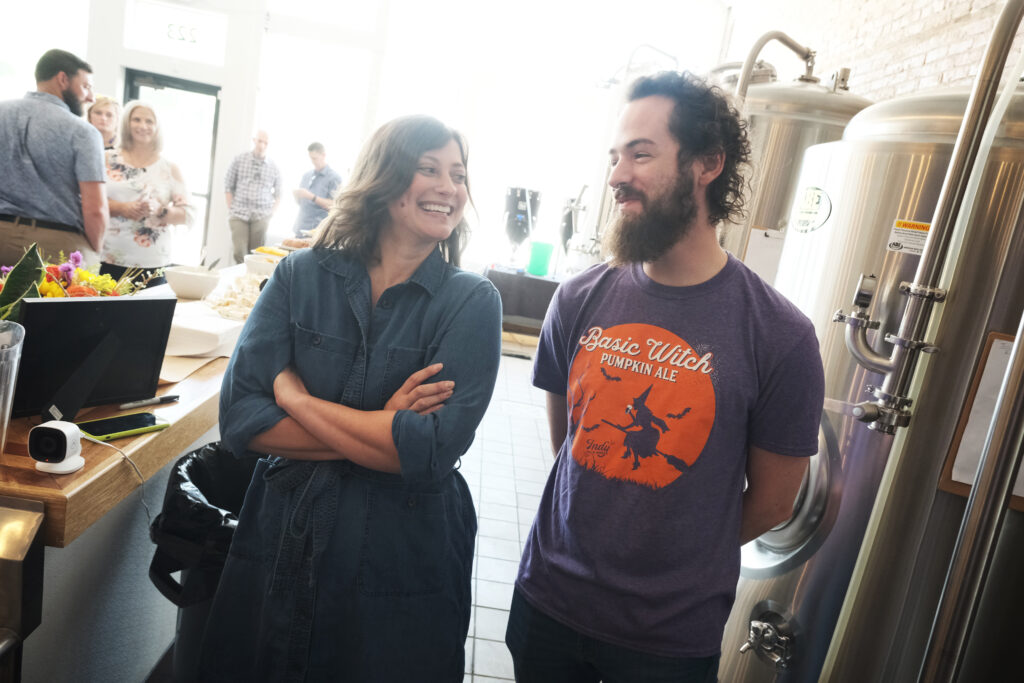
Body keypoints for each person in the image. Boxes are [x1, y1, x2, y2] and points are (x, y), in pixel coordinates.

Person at [505, 71, 825, 682]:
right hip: (549, 603)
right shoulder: (577, 298)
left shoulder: (780, 335)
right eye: (614, 156)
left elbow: (774, 502)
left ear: (708, 164)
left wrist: (679, 555)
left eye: (641, 154)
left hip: (669, 639)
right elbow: (569, 443)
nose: (617, 175)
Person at [200, 115, 503, 682]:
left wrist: (296, 400)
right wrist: (380, 427)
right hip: (283, 532)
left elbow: (428, 451)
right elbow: (240, 419)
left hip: (402, 550)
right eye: (430, 169)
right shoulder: (299, 275)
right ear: (385, 179)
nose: (449, 188)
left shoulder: (471, 302)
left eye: (459, 175)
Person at [0, 49, 107, 266]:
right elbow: (95, 209)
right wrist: (94, 252)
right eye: (86, 86)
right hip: (55, 246)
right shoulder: (83, 132)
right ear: (63, 79)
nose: (91, 97)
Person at [100, 100, 193, 284]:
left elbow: (188, 214)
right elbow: (87, 201)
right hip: (108, 256)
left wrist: (160, 210)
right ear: (126, 123)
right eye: (136, 119)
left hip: (153, 263)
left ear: (157, 127)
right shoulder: (106, 159)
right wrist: (122, 208)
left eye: (149, 121)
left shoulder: (169, 168)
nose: (143, 126)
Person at [224, 129, 281, 264]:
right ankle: (241, 274)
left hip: (261, 215)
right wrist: (231, 208)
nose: (262, 145)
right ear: (254, 140)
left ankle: (253, 276)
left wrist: (271, 214)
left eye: (265, 143)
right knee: (239, 252)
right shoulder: (239, 160)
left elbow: (279, 194)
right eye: (260, 141)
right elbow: (228, 185)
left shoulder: (274, 167)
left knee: (257, 254)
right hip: (239, 213)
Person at [291, 141, 342, 237]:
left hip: (318, 231)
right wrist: (297, 196)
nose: (312, 162)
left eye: (315, 158)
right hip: (300, 227)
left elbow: (334, 205)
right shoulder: (306, 176)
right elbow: (302, 203)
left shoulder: (334, 178)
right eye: (311, 158)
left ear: (323, 155)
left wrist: (311, 196)